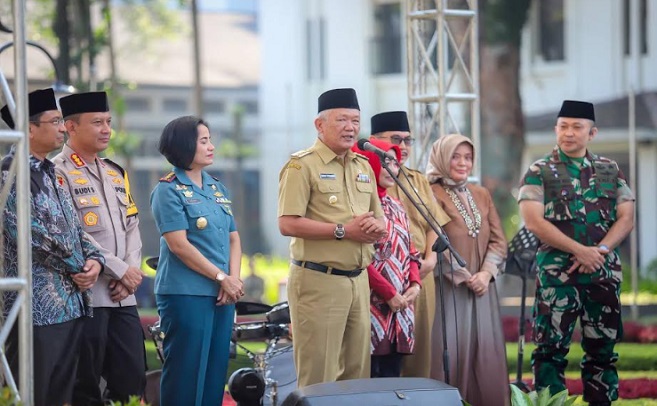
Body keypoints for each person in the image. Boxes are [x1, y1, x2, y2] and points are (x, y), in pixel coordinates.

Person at [518, 100, 635, 405]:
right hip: (558, 278)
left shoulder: (610, 170)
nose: (568, 133)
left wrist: (601, 250)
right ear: (556, 129)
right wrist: (580, 251)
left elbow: (626, 216)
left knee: (603, 351)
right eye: (563, 126)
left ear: (592, 133)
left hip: (603, 276)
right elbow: (532, 220)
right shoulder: (539, 171)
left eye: (576, 127)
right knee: (549, 352)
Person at [277, 88, 388, 387]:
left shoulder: (362, 165)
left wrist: (378, 228)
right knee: (319, 377)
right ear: (319, 125)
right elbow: (287, 223)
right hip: (318, 281)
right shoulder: (302, 166)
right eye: (342, 120)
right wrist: (343, 231)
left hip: (358, 280)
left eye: (355, 120)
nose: (351, 128)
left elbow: (380, 218)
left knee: (356, 376)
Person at [1, 89, 104, 406]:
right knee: (34, 392)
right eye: (55, 121)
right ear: (29, 129)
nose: (63, 128)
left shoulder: (54, 173)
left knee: (62, 393)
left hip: (70, 305)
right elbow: (28, 233)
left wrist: (96, 261)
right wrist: (78, 266)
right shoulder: (10, 172)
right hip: (34, 309)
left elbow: (75, 228)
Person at [52, 91, 146, 405]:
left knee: (132, 382)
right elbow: (72, 231)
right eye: (97, 122)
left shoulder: (115, 172)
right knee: (85, 386)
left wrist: (130, 272)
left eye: (108, 121)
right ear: (70, 127)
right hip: (87, 297)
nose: (106, 128)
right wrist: (119, 270)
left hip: (123, 297)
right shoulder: (57, 172)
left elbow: (132, 226)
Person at [151, 115, 244, 406]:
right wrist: (222, 278)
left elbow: (233, 238)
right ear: (184, 145)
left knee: (216, 373)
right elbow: (179, 244)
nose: (211, 146)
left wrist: (234, 280)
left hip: (222, 293)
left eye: (209, 140)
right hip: (187, 292)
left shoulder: (217, 188)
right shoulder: (167, 190)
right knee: (186, 374)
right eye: (203, 141)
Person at [426, 133, 509, 406]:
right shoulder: (429, 193)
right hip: (448, 292)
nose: (463, 163)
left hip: (482, 290)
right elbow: (433, 240)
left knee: (486, 359)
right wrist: (464, 276)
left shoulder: (481, 194)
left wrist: (485, 274)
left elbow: (498, 240)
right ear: (441, 158)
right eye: (455, 156)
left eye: (468, 157)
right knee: (449, 355)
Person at [369, 111, 451, 378]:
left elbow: (433, 224)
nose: (402, 147)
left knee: (417, 353)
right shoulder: (367, 176)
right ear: (374, 141)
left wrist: (431, 259)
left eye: (407, 140)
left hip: (418, 274)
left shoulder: (416, 179)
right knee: (375, 357)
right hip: (378, 278)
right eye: (396, 139)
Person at [351, 138, 422, 378]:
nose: (392, 169)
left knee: (393, 380)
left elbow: (411, 250)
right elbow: (358, 257)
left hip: (401, 308)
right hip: (371, 306)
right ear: (369, 163)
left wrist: (415, 284)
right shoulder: (358, 206)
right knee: (368, 381)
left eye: (394, 163)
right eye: (385, 162)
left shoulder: (396, 204)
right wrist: (388, 293)